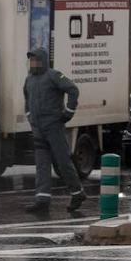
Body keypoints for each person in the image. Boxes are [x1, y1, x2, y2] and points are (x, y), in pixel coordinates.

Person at [23, 48, 86, 213]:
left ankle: (77, 193)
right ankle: (42, 199)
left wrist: (69, 112)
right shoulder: (29, 79)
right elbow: (27, 99)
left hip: (54, 127)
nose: (33, 63)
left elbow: (73, 89)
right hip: (38, 129)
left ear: (43, 60)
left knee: (62, 162)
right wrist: (29, 115)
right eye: (31, 60)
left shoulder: (53, 76)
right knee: (42, 165)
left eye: (36, 59)